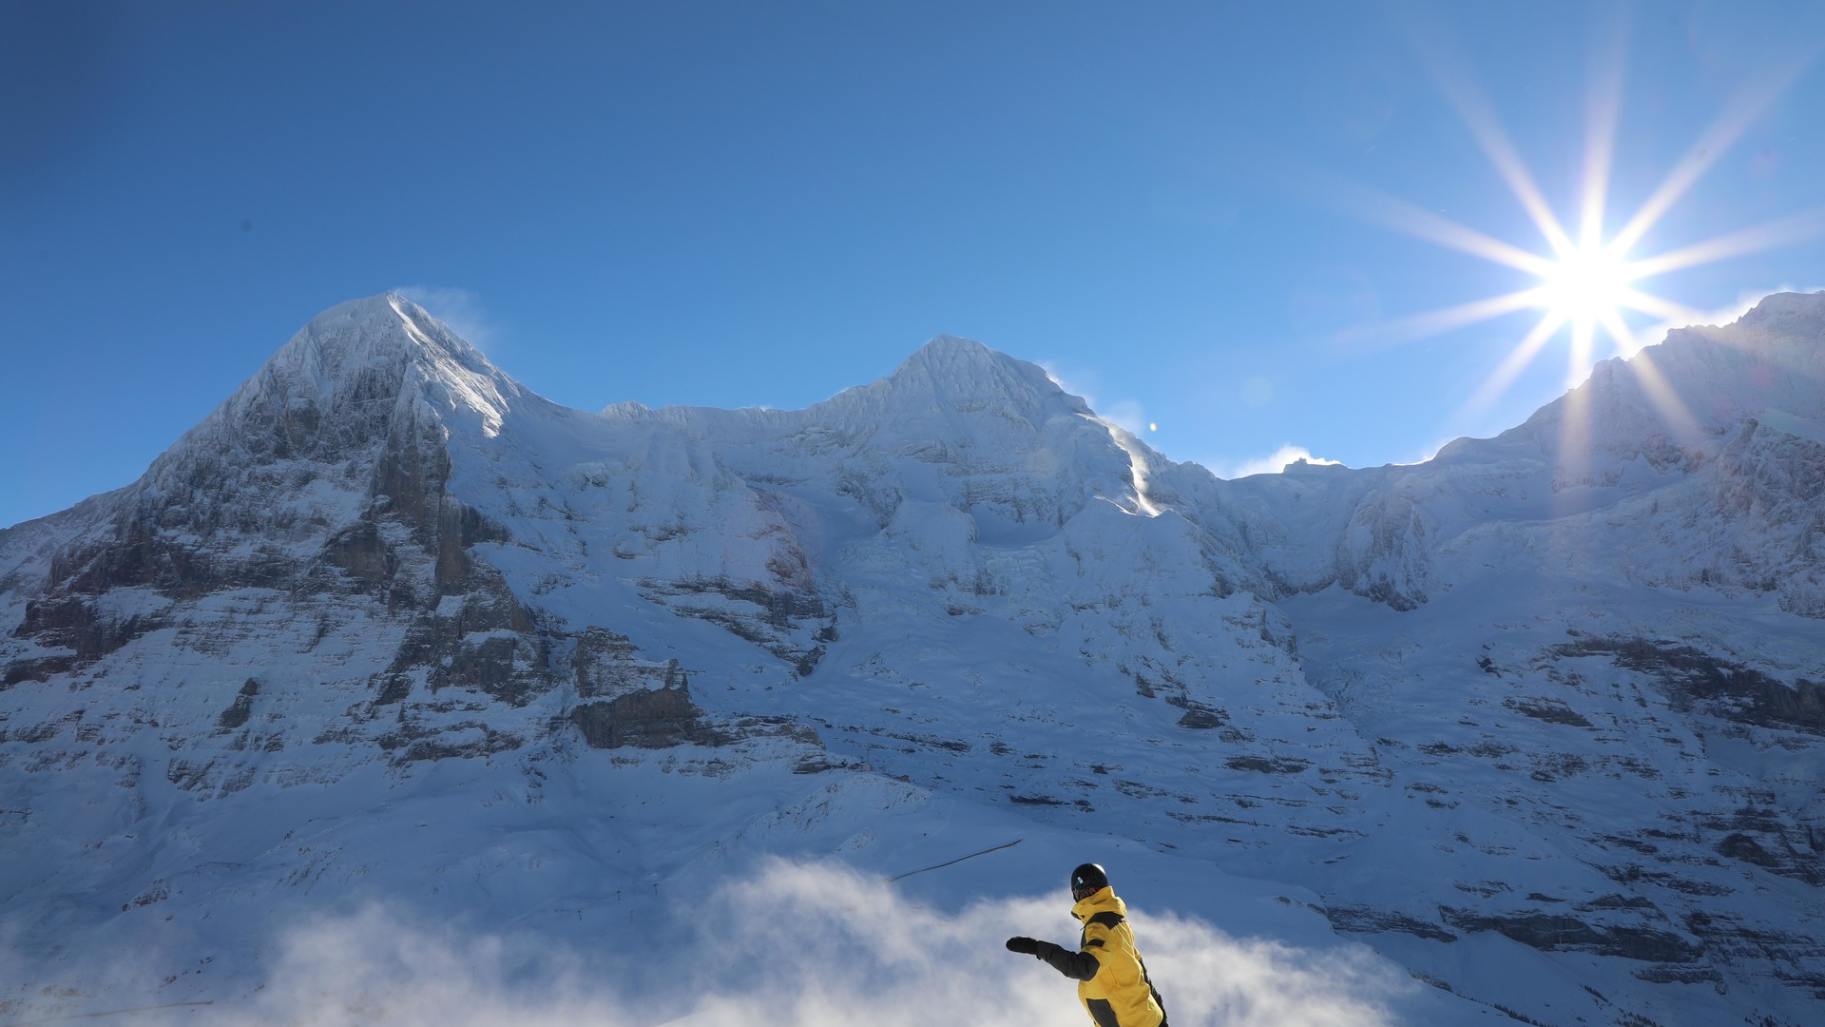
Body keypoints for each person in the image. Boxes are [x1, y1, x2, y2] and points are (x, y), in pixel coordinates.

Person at [1005, 863, 1168, 1027]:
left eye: (1088, 891)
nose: (1086, 895)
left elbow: (1082, 968)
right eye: (1084, 891)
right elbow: (1139, 969)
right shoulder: (1116, 922)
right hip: (1145, 1019)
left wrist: (1037, 948)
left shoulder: (1101, 927)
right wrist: (1159, 1012)